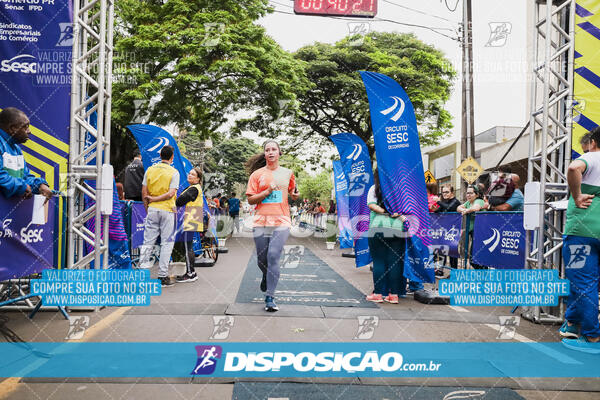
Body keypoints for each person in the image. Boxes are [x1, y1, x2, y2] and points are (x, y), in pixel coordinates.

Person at [246, 140, 299, 312]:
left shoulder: (288, 173)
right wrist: (267, 192)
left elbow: (292, 192)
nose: (270, 152)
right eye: (267, 150)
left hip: (282, 219)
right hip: (261, 219)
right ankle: (266, 275)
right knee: (262, 259)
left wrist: (295, 194)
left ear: (279, 152)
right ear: (264, 154)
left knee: (274, 255)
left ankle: (270, 296)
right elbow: (250, 199)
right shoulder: (256, 175)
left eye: (273, 149)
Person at [560, 127, 600, 353]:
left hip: (584, 232)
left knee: (583, 281)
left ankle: (592, 335)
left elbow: (574, 167)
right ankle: (572, 323)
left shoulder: (592, 156)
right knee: (583, 281)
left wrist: (576, 195)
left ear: (593, 142)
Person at [139, 145, 180, 287]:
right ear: (172, 157)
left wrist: (148, 207)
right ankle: (163, 276)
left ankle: (143, 274)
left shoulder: (150, 170)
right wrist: (157, 200)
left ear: (160, 155)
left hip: (152, 210)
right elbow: (171, 193)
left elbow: (144, 192)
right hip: (167, 210)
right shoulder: (174, 172)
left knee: (147, 242)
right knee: (166, 243)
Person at [365, 168, 407, 304]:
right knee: (394, 262)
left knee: (379, 261)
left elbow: (372, 205)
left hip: (378, 227)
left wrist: (385, 211)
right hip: (397, 228)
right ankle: (394, 295)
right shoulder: (400, 189)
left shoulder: (374, 188)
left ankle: (378, 294)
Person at [0, 108, 53, 200]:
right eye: (25, 127)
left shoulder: (16, 149)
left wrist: (39, 185)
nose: (29, 131)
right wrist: (22, 187)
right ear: (12, 128)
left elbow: (25, 176)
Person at [175, 167, 204, 283]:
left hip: (191, 218)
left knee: (188, 247)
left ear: (198, 179)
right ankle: (191, 272)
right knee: (188, 246)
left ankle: (190, 273)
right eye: (189, 173)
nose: (189, 175)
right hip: (192, 217)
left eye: (193, 174)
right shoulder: (194, 188)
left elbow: (180, 201)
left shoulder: (194, 189)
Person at [457, 184, 485, 270]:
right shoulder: (468, 202)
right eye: (467, 193)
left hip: (481, 230)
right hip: (472, 229)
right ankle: (479, 274)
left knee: (476, 254)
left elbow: (476, 208)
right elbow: (458, 208)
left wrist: (466, 210)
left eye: (471, 193)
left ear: (476, 194)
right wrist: (464, 210)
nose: (468, 195)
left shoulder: (479, 201)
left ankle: (483, 275)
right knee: (472, 255)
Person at [435, 184, 461, 270]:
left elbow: (449, 208)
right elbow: (439, 211)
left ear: (452, 192)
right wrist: (434, 208)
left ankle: (454, 273)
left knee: (452, 253)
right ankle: (441, 270)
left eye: (447, 192)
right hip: (443, 231)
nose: (444, 194)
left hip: (453, 233)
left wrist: (438, 201)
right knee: (442, 251)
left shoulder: (455, 201)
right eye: (443, 192)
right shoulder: (444, 202)